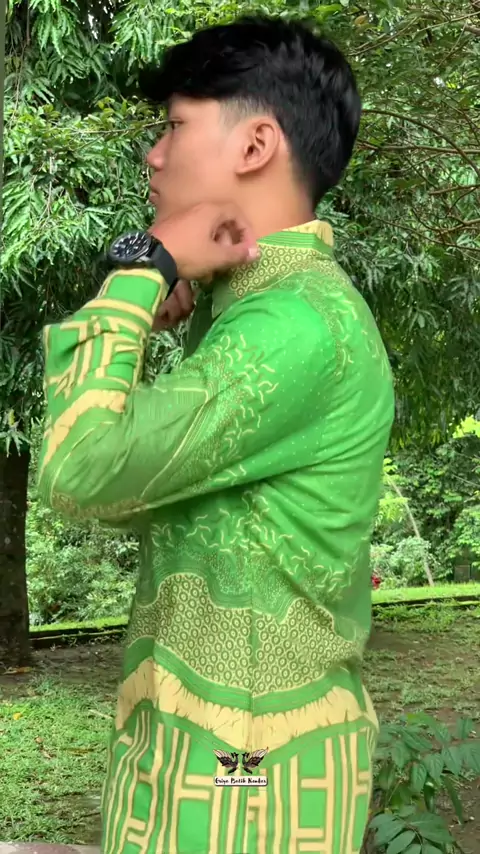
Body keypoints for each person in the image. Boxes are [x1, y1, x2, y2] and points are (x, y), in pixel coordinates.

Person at [37, 16, 395, 854]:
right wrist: (152, 304)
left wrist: (142, 268)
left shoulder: (296, 326)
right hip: (212, 756)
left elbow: (80, 470)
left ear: (256, 144)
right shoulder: (254, 313)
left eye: (174, 126)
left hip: (248, 774)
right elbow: (132, 499)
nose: (154, 155)